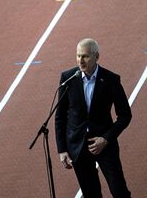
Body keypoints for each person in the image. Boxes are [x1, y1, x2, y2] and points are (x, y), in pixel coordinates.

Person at [55, 38, 132, 198]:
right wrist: (62, 149)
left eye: (85, 56)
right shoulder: (68, 78)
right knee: (91, 194)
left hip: (104, 144)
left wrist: (105, 139)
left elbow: (125, 115)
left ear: (96, 56)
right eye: (78, 56)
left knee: (119, 191)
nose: (80, 61)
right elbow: (60, 116)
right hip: (78, 146)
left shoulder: (111, 79)